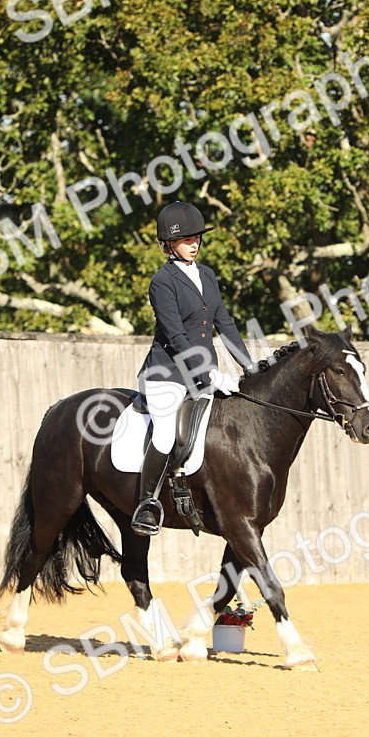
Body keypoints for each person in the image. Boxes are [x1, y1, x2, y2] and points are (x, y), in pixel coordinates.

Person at [130, 201, 253, 536]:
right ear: (169, 244)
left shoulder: (207, 275)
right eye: (186, 239)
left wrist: (250, 366)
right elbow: (176, 335)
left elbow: (225, 324)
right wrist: (209, 374)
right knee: (167, 433)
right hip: (167, 375)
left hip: (202, 375)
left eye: (196, 236)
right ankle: (147, 504)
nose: (194, 242)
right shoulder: (162, 282)